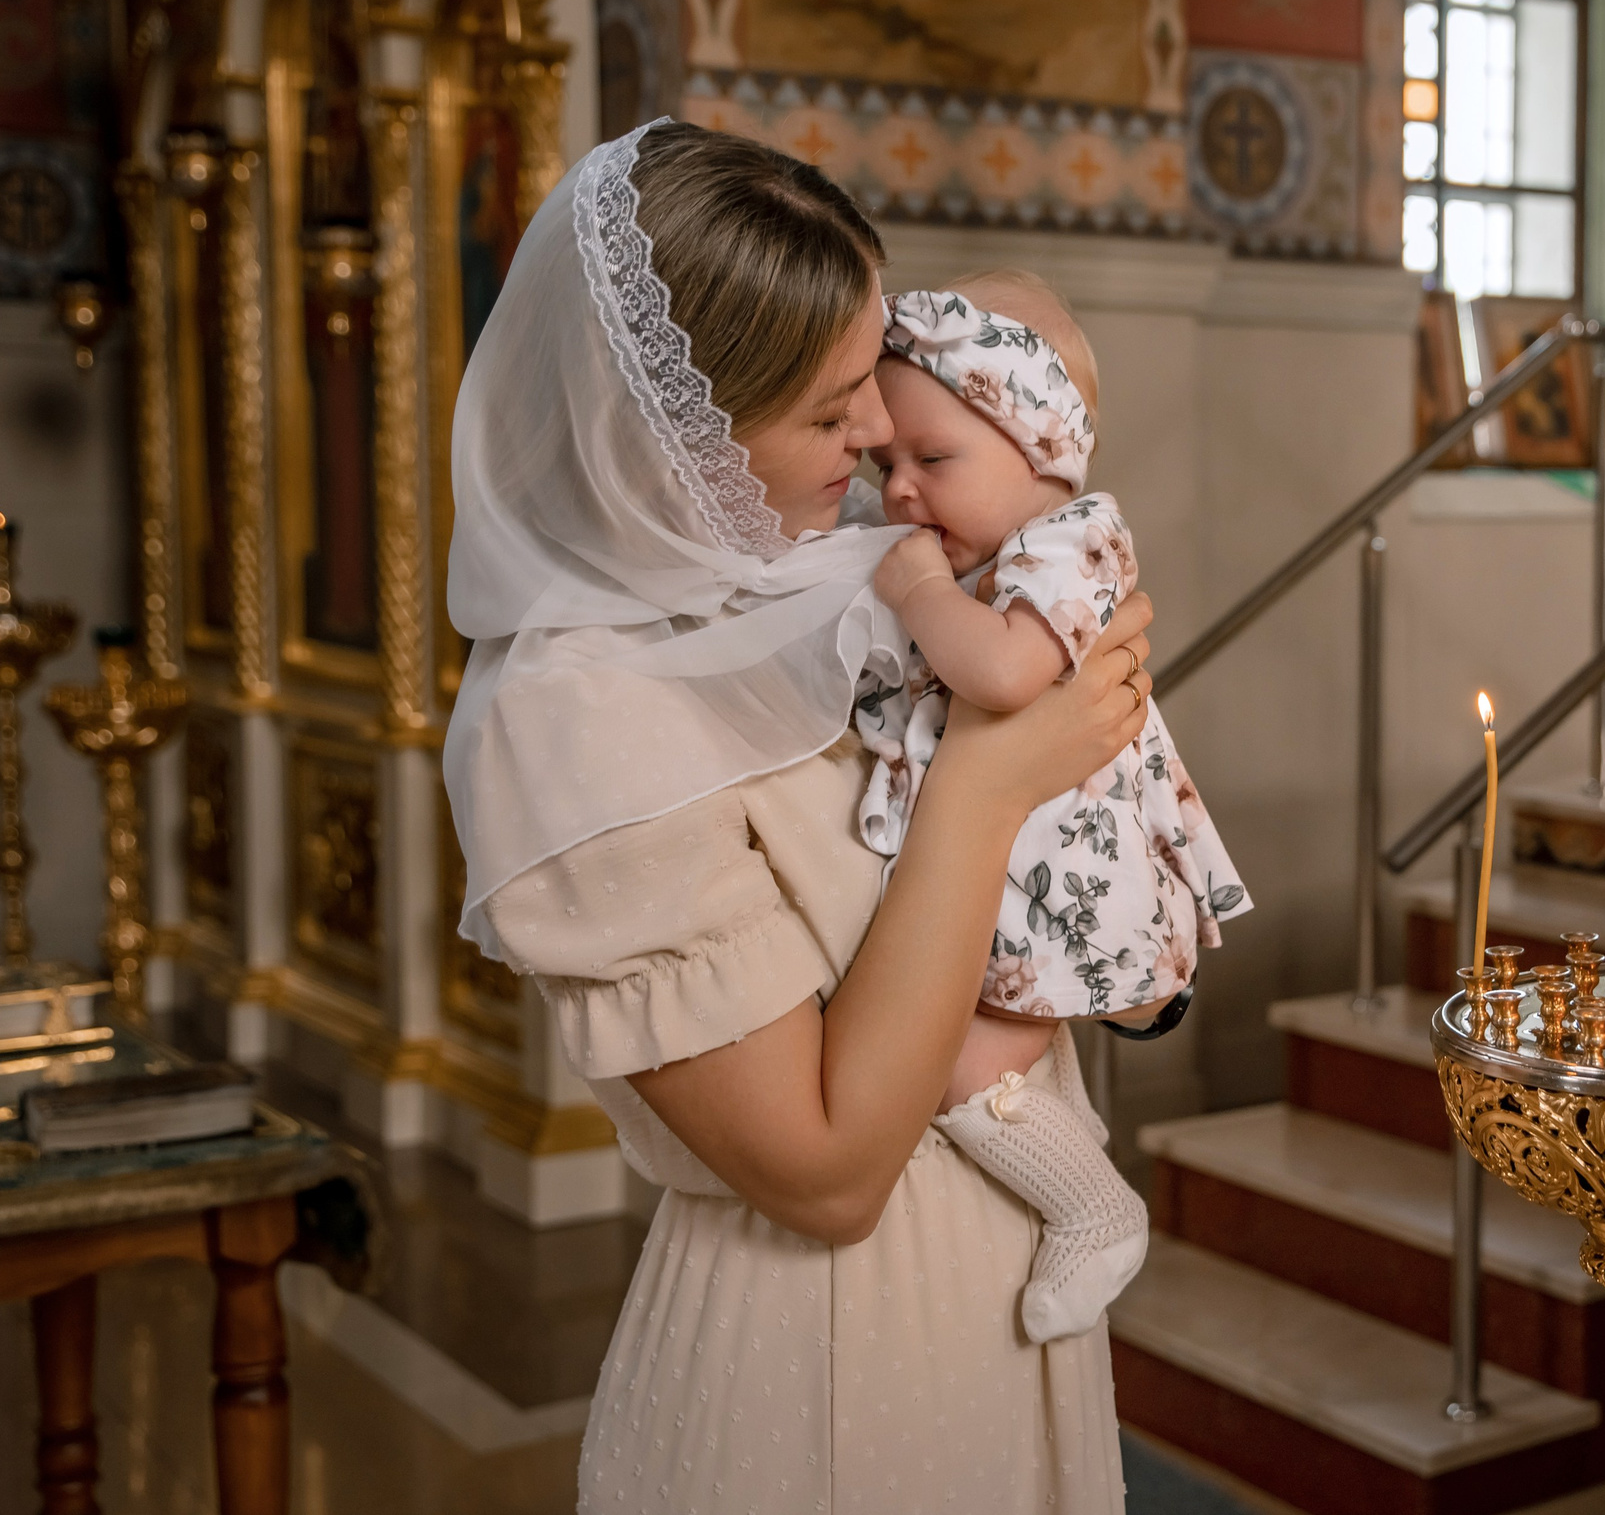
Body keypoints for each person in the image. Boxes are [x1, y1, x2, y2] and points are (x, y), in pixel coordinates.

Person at [442, 117, 1146, 1513]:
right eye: (830, 412)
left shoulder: (824, 574)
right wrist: (988, 786)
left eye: (869, 383)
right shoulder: (569, 717)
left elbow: (1095, 644)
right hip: (825, 1347)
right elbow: (825, 1174)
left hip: (1013, 1292)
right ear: (673, 429)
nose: (881, 430)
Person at [854, 274, 1250, 1343]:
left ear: (1044, 448)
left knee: (953, 1058)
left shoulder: (1073, 542)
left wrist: (920, 596)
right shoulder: (989, 547)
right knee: (957, 1031)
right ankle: (1062, 1132)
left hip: (1059, 862)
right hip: (1003, 852)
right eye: (881, 461)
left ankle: (1094, 1204)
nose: (897, 491)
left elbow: (1006, 674)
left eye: (931, 460)